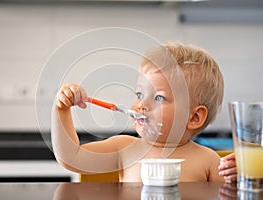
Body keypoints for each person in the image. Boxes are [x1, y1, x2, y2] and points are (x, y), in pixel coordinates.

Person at [52, 42, 236, 182]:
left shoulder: (209, 161)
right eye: (139, 94)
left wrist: (236, 178)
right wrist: (61, 109)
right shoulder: (124, 149)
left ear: (194, 117)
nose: (141, 105)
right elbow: (71, 158)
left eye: (158, 98)